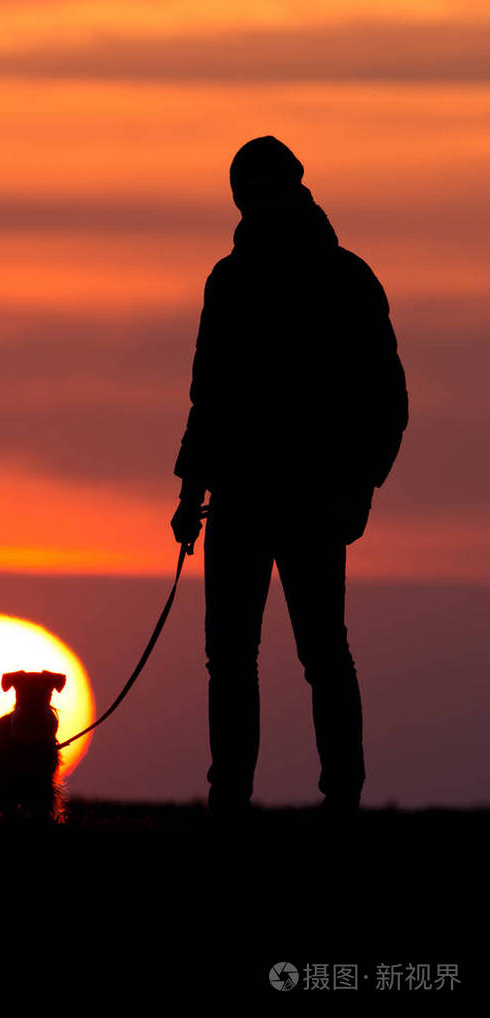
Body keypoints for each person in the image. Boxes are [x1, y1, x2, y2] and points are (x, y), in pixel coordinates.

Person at [171, 136, 408, 816]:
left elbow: (384, 397)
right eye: (246, 192)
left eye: (261, 188)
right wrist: (192, 491)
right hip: (241, 498)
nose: (254, 202)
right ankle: (230, 801)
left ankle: (341, 801)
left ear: (288, 187)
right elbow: (209, 393)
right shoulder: (231, 279)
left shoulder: (346, 278)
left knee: (321, 654)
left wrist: (359, 488)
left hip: (312, 500)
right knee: (234, 658)